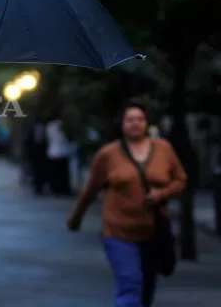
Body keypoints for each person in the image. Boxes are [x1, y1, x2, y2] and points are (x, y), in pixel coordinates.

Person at [66, 100, 187, 307]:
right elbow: (90, 190)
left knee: (147, 287)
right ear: (122, 124)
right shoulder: (108, 154)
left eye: (140, 119)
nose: (135, 124)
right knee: (130, 282)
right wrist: (75, 219)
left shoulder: (164, 149)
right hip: (118, 231)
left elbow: (180, 180)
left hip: (153, 231)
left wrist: (162, 193)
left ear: (146, 123)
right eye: (130, 119)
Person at [45, 112, 72, 195]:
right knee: (63, 173)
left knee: (54, 173)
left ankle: (55, 188)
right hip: (63, 151)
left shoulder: (49, 126)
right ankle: (63, 188)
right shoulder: (62, 125)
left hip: (53, 152)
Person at [25, 117, 48, 195]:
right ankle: (38, 186)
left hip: (39, 154)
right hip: (37, 154)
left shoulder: (34, 129)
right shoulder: (36, 129)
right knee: (37, 171)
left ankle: (38, 186)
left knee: (38, 171)